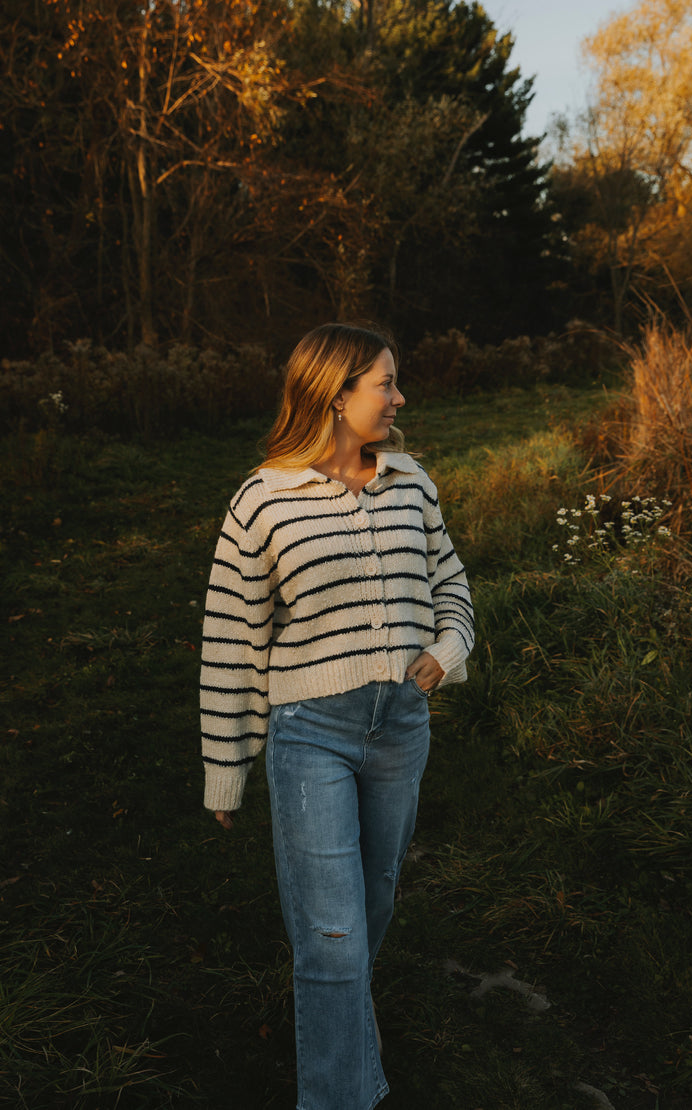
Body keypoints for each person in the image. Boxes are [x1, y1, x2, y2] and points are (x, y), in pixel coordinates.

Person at [200, 322, 474, 1110]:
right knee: (334, 942)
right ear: (334, 392)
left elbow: (452, 586)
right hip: (309, 733)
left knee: (371, 910)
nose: (399, 397)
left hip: (400, 731)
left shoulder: (410, 481)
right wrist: (228, 768)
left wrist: (446, 651)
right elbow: (230, 639)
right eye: (384, 383)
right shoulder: (263, 500)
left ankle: (351, 1050)